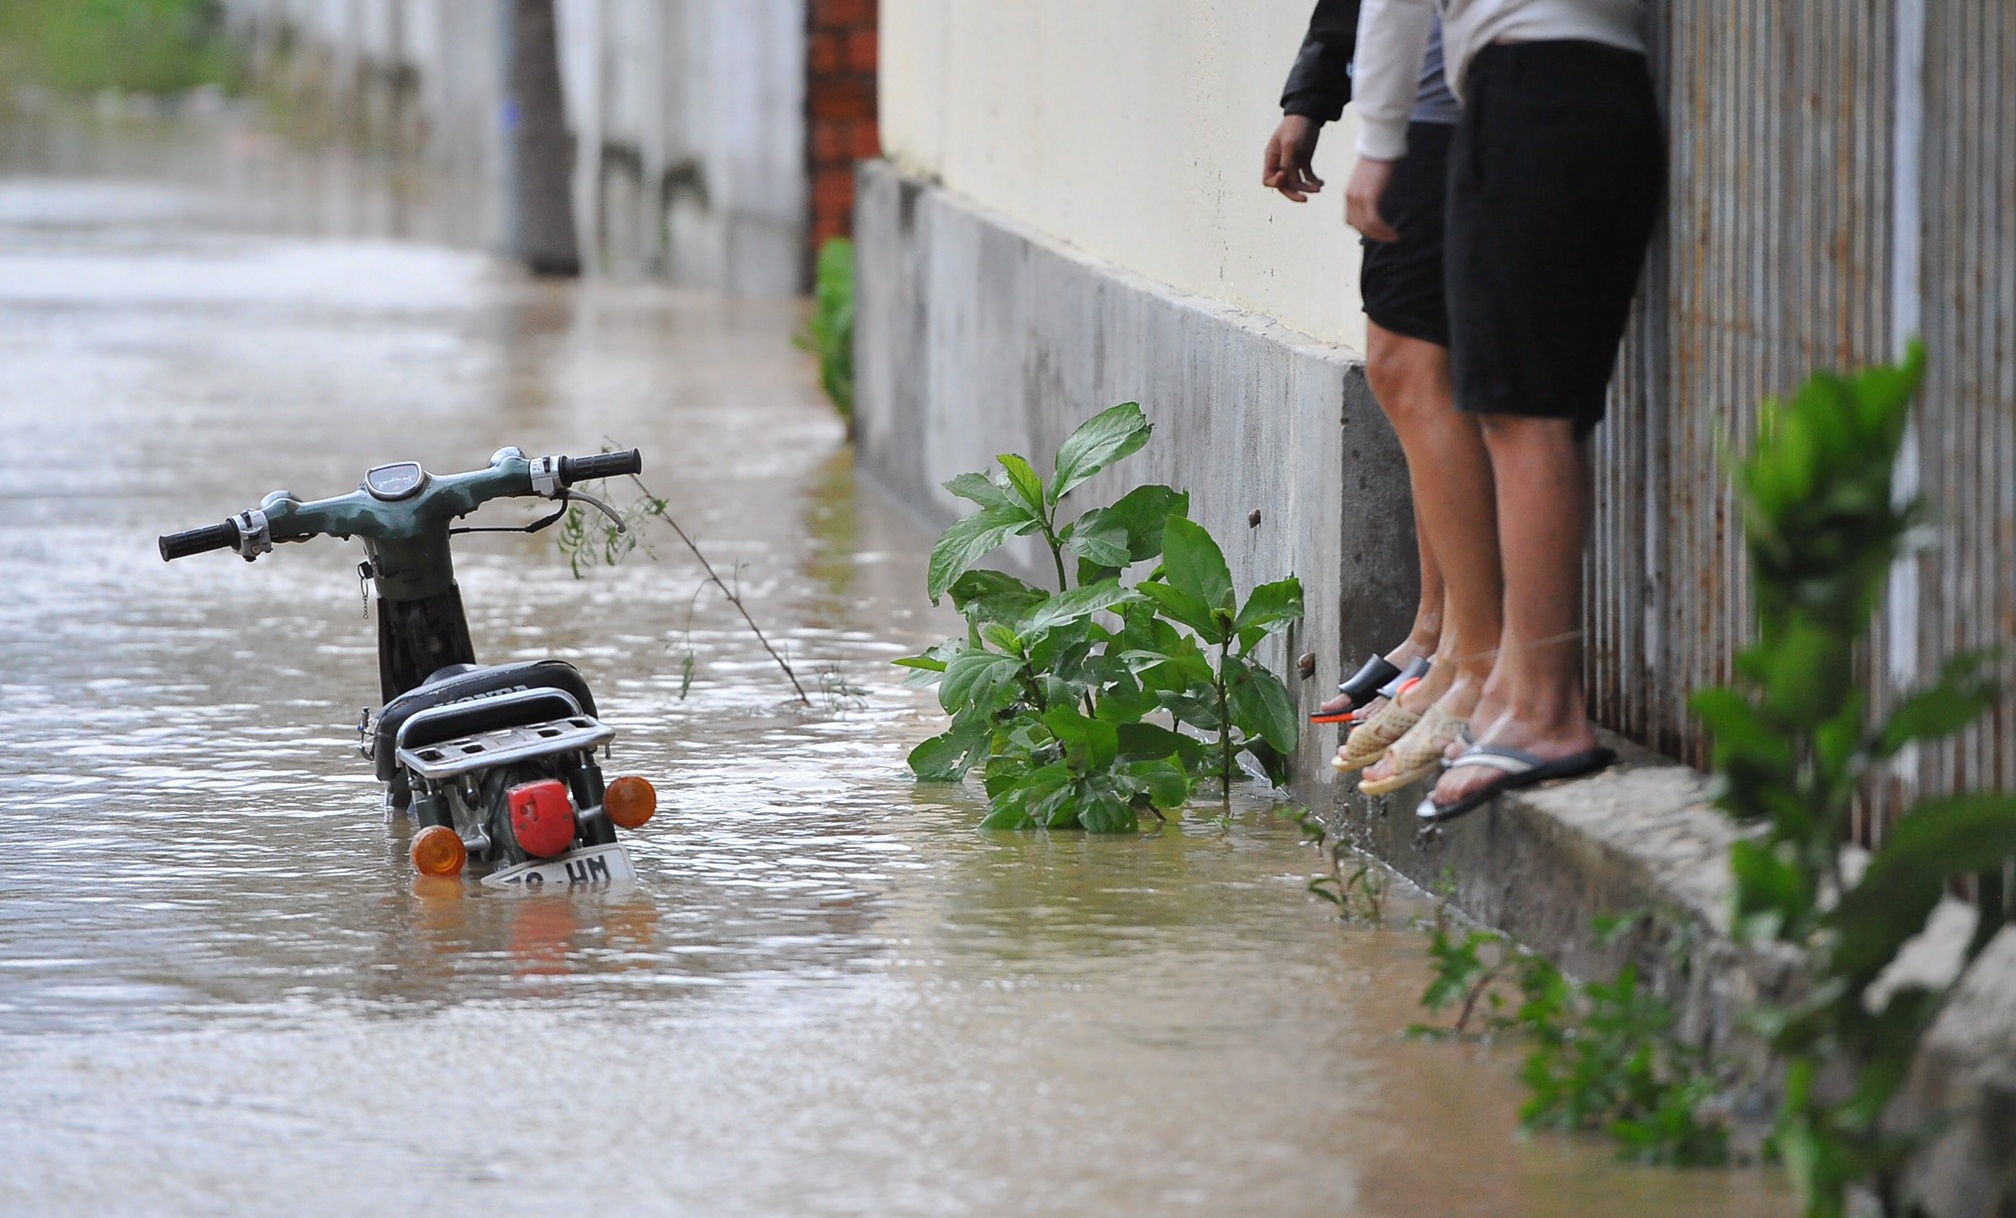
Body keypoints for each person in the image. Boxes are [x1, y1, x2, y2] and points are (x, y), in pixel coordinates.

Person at [1343, 0, 1665, 820]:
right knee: (1540, 409)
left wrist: (1378, 139)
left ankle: (1542, 713)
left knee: (1522, 416)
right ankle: (1514, 698)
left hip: (1525, 85)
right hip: (1610, 81)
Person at [1264, 1, 1503, 796]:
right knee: (1419, 365)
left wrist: (1365, 124)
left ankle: (1473, 657)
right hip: (1430, 91)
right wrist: (1313, 94)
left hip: (1452, 95)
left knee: (1419, 364)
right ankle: (1438, 633)